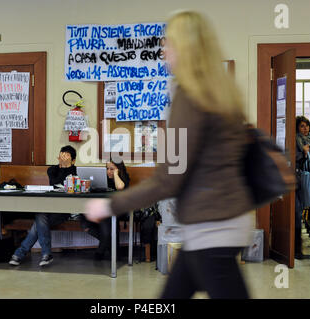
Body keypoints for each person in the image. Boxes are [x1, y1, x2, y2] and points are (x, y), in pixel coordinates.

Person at [85, 11, 254, 299]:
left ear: (185, 48)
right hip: (223, 222)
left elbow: (168, 179)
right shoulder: (222, 92)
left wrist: (110, 206)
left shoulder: (190, 95)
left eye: (169, 43)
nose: (163, 50)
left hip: (210, 228)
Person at [9, 145, 77, 267]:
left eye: (67, 156)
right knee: (40, 216)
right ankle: (46, 254)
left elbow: (67, 182)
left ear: (73, 161)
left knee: (39, 220)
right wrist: (62, 167)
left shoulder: (74, 171)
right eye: (62, 155)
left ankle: (22, 253)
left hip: (64, 212)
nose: (64, 157)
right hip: (50, 209)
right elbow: (56, 182)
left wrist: (67, 167)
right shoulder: (51, 170)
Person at [80, 160, 130, 260]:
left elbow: (120, 187)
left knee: (106, 218)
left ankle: (101, 251)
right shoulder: (103, 179)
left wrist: (116, 174)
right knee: (84, 217)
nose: (108, 172)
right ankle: (111, 248)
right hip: (102, 208)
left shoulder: (124, 178)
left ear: (119, 169)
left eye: (112, 169)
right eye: (107, 169)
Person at [295, 116, 310, 259]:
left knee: (305, 208)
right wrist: (303, 154)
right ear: (297, 127)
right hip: (298, 178)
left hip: (307, 179)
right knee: (297, 212)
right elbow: (296, 159)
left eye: (307, 126)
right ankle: (296, 249)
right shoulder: (295, 141)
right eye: (302, 126)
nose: (305, 129)